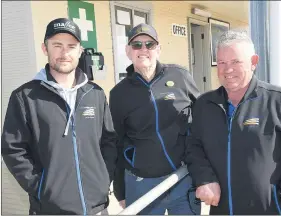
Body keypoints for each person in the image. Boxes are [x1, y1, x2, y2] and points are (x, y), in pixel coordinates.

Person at [1, 18, 117, 215]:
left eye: (71, 46)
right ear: (45, 48)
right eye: (57, 45)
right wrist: (41, 188)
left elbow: (109, 141)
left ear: (80, 51)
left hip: (97, 209)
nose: (64, 53)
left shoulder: (95, 94)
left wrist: (103, 179)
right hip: (50, 209)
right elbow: (13, 150)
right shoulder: (25, 97)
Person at [185, 30, 281, 214]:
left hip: (270, 210)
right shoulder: (204, 104)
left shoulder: (279, 101)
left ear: (253, 62)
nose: (228, 69)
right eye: (222, 63)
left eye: (236, 62)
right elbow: (193, 146)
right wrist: (204, 178)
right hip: (222, 209)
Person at [109, 23, 201, 215]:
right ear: (128, 51)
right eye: (137, 45)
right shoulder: (119, 94)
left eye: (150, 44)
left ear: (158, 49)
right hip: (142, 184)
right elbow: (116, 142)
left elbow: (203, 117)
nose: (144, 49)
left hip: (183, 178)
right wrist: (120, 190)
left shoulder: (180, 76)